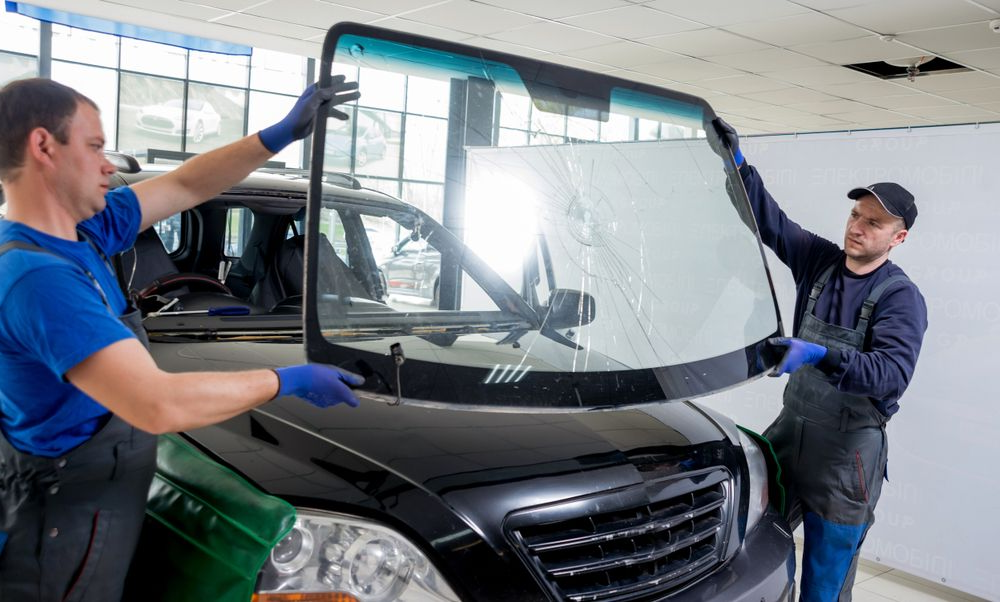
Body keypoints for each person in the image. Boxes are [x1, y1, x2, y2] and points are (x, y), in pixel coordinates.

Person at [0, 76, 362, 601]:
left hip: (91, 513)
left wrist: (279, 134)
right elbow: (156, 402)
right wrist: (286, 380)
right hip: (57, 540)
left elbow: (188, 186)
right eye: (96, 146)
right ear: (43, 147)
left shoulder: (83, 234)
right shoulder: (39, 279)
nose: (109, 164)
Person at [714, 118, 928, 602]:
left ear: (898, 238)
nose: (857, 227)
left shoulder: (900, 298)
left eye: (874, 223)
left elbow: (890, 375)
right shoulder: (820, 261)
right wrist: (738, 165)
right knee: (750, 547)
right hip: (791, 433)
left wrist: (819, 354)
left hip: (847, 455)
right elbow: (770, 222)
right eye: (856, 214)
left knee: (824, 585)